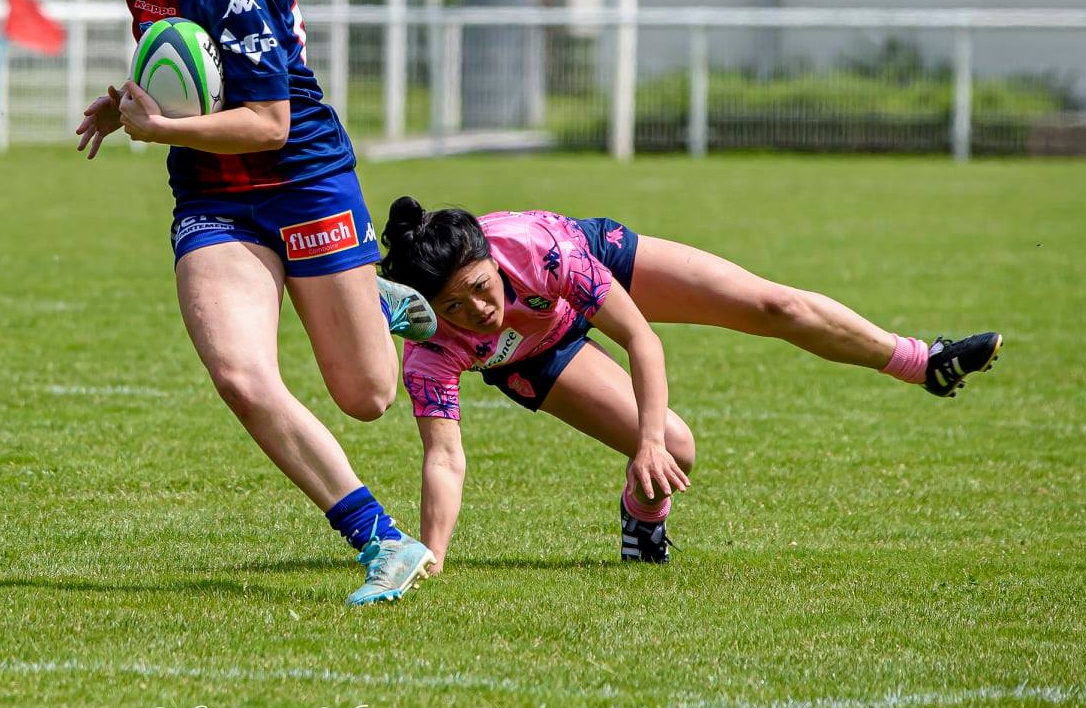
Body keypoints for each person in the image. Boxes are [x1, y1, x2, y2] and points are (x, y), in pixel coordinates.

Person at [74, 0, 439, 606]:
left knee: (367, 397)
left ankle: (372, 300)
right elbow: (190, 74)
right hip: (212, 197)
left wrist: (162, 126)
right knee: (241, 375)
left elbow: (270, 124)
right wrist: (125, 102)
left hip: (303, 184)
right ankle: (381, 539)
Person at [379, 197, 1002, 571]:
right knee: (678, 448)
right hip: (534, 355)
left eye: (482, 289)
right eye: (455, 307)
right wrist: (432, 556)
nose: (479, 313)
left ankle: (923, 361)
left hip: (593, 268)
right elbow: (445, 457)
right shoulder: (430, 347)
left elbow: (642, 337)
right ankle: (642, 518)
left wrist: (642, 440)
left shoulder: (542, 251)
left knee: (773, 305)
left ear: (492, 259)